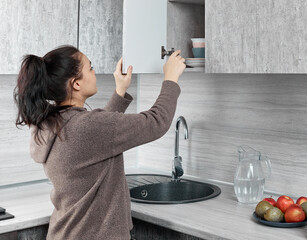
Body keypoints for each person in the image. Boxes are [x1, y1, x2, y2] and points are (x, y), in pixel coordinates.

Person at [14, 45, 186, 239]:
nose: (94, 72)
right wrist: (170, 79)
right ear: (75, 84)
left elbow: (97, 137)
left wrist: (120, 92)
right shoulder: (86, 126)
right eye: (90, 67)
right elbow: (156, 122)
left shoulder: (50, 124)